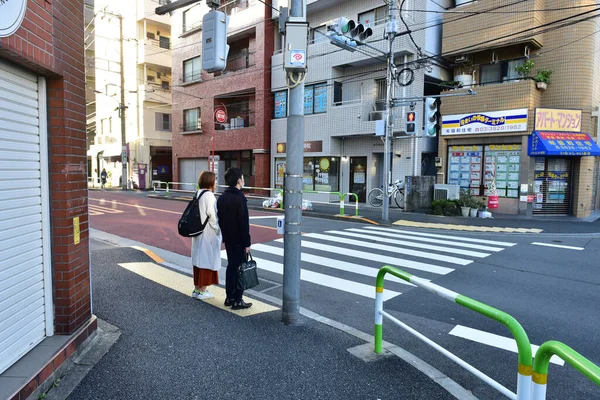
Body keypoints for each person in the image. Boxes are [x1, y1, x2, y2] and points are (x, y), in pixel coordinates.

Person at [217, 168, 252, 310]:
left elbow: (219, 219)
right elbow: (243, 222)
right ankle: (238, 299)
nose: (243, 181)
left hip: (228, 238)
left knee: (231, 267)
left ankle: (229, 297)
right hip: (239, 239)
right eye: (243, 178)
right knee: (240, 269)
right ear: (239, 180)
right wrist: (247, 243)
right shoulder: (240, 198)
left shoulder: (222, 197)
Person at [191, 171, 222, 300]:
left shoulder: (198, 193)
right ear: (210, 181)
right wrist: (218, 230)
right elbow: (213, 216)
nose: (216, 182)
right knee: (206, 261)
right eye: (215, 180)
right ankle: (203, 291)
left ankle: (197, 289)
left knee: (198, 261)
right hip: (207, 233)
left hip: (198, 232)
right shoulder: (209, 196)